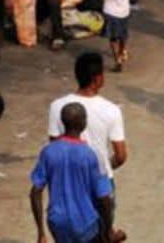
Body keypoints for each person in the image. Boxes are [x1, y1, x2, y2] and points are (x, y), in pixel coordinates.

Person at [48, 53, 127, 240]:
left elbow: (54, 146)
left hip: (68, 182)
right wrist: (105, 166)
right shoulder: (111, 110)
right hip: (101, 180)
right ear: (97, 79)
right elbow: (121, 156)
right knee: (102, 231)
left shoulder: (57, 106)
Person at [31, 102, 114, 243]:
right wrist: (108, 230)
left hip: (58, 223)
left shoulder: (48, 152)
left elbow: (35, 192)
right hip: (86, 223)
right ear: (84, 123)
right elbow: (104, 198)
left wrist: (41, 232)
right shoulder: (93, 155)